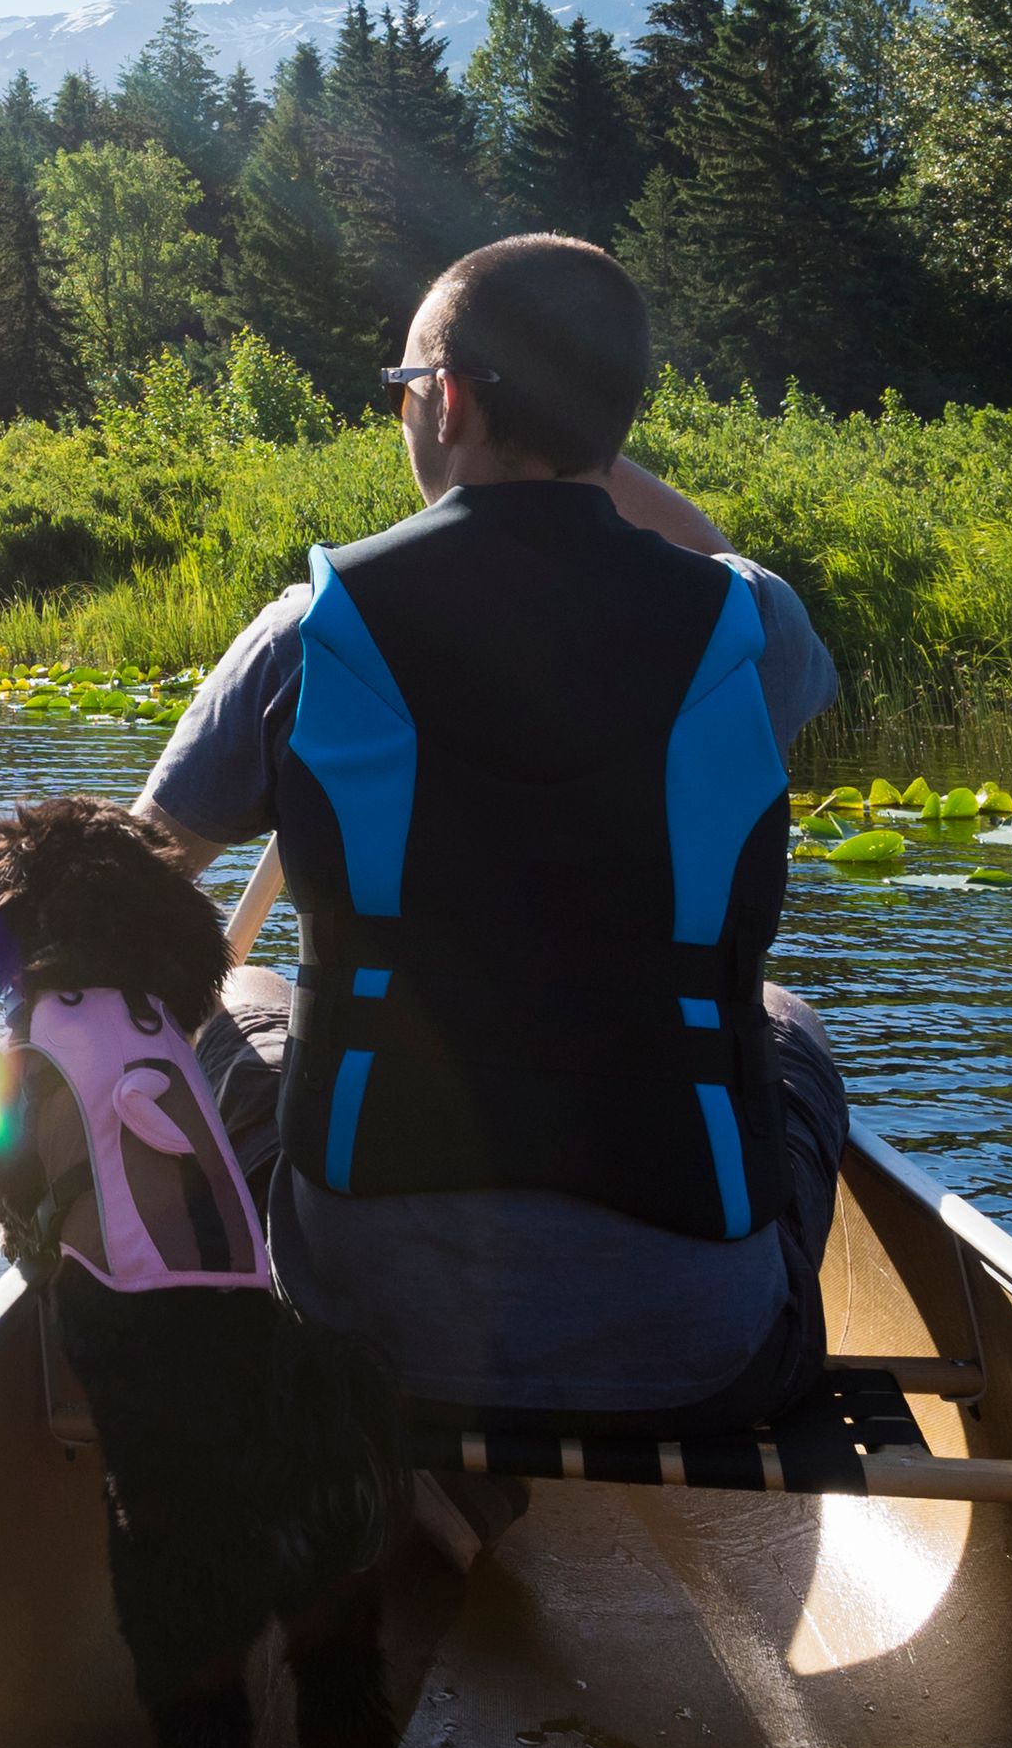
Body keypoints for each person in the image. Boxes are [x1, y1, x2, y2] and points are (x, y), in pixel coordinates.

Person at [137, 233, 856, 1445]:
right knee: (780, 1021)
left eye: (404, 390)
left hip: (358, 1334)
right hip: (707, 1353)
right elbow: (712, 560)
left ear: (450, 399)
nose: (403, 414)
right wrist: (578, 434)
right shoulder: (751, 627)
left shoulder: (312, 628)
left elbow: (132, 873)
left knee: (234, 990)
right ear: (612, 422)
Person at [0, 794, 407, 1748]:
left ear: (4, 938)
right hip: (289, 1390)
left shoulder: (37, 1055)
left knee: (181, 1655)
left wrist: (34, 1242)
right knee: (332, 1647)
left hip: (176, 1436)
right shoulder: (163, 1036)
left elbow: (10, 1188)